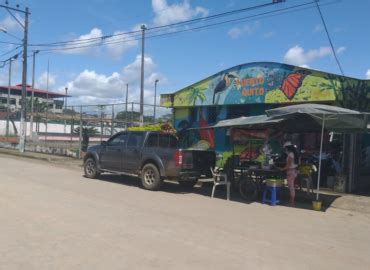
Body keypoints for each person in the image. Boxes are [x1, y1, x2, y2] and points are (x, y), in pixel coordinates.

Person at [280, 141, 299, 206]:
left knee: (291, 187)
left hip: (290, 171)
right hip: (294, 171)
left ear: (287, 148)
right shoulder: (294, 153)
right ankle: (291, 200)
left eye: (285, 148)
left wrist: (282, 169)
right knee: (291, 187)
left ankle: (292, 202)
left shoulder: (290, 154)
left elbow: (288, 165)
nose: (285, 150)